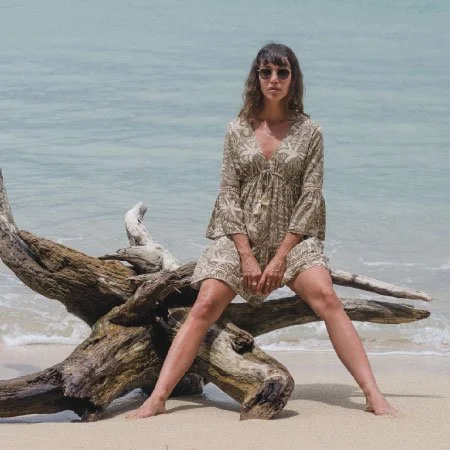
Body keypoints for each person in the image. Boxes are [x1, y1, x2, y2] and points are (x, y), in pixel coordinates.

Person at [127, 43, 396, 419]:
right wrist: (247, 254)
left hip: (293, 238)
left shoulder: (310, 132)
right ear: (256, 77)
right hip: (239, 237)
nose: (274, 79)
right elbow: (228, 194)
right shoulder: (237, 129)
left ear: (293, 79)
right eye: (266, 72)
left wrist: (281, 256)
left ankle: (373, 395)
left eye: (282, 72)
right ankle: (157, 398)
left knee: (327, 298)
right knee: (205, 304)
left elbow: (311, 197)